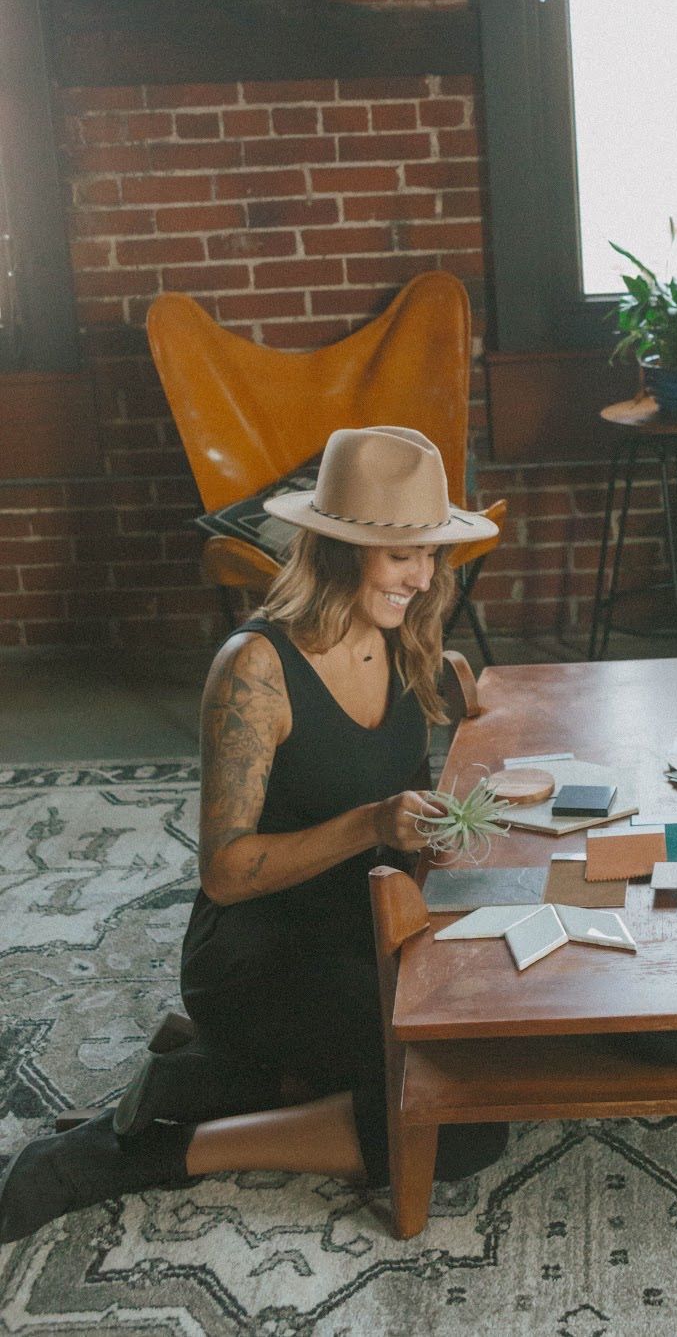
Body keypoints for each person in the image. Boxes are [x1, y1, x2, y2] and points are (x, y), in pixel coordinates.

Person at [0, 425, 507, 1243]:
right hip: (256, 957)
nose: (422, 577)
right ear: (340, 549)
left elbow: (392, 811)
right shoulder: (255, 667)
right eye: (401, 555)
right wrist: (371, 823)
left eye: (430, 554)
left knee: (489, 1048)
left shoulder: (407, 639)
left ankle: (210, 1078)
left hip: (363, 929)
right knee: (463, 1116)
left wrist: (425, 834)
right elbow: (226, 872)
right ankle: (142, 1152)